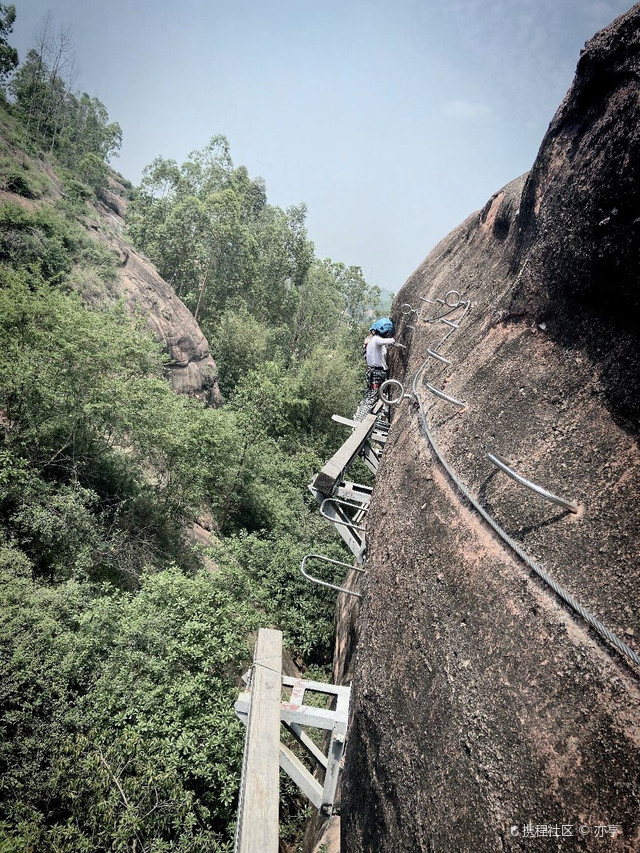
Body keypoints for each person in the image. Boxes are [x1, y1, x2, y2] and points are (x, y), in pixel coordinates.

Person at [354, 317, 395, 420]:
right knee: (374, 396)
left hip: (373, 372)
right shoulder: (376, 340)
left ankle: (360, 416)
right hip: (377, 372)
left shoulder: (371, 341)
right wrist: (394, 339)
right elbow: (389, 341)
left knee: (371, 394)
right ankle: (361, 418)